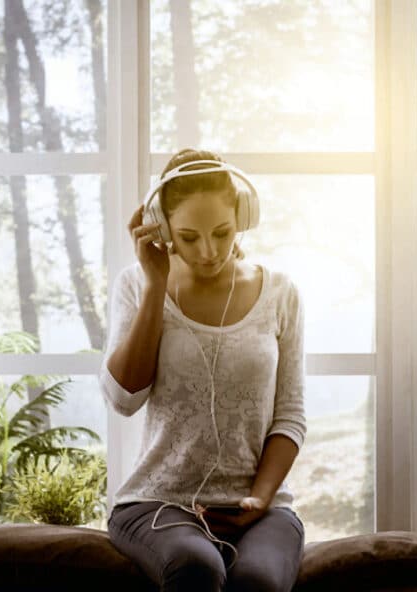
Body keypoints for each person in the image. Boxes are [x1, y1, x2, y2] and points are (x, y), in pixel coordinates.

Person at [99, 148, 306, 592]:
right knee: (197, 569)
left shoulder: (281, 293)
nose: (209, 251)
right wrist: (156, 285)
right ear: (162, 226)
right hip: (158, 503)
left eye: (222, 232)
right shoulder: (136, 285)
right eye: (189, 237)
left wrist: (260, 499)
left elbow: (289, 415)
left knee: (260, 581)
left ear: (243, 219)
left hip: (262, 509)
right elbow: (123, 398)